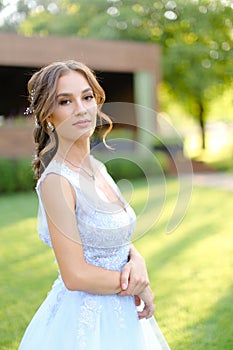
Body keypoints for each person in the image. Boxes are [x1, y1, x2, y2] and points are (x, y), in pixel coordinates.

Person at [19, 60, 170, 350]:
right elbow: (75, 275)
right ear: (48, 115)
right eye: (65, 101)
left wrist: (137, 261)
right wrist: (139, 286)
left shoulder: (98, 168)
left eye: (87, 97)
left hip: (122, 311)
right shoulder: (57, 182)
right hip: (86, 322)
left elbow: (115, 236)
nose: (81, 109)